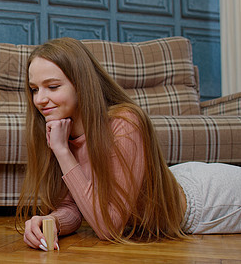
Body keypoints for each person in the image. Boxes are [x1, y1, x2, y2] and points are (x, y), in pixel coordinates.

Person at [16, 37, 241, 251]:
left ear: (82, 85)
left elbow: (108, 227)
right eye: (34, 89)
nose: (40, 100)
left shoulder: (125, 122)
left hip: (211, 202)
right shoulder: (59, 130)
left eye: (53, 87)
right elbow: (73, 206)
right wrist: (52, 221)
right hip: (174, 180)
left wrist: (62, 151)